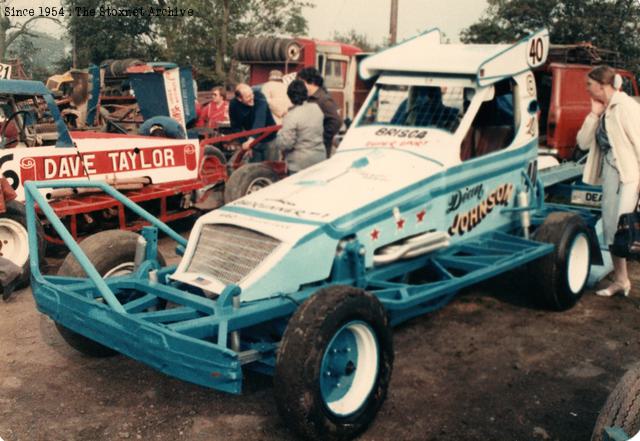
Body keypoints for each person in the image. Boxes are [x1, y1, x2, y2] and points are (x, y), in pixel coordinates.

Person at [576, 65, 640, 297]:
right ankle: (621, 281)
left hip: (630, 176)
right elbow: (582, 142)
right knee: (612, 229)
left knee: (628, 229)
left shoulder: (625, 107)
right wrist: (593, 114)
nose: (586, 88)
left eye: (589, 84)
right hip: (611, 175)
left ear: (601, 85)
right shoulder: (604, 109)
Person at [275, 80, 326, 174]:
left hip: (299, 164)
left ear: (290, 97)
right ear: (306, 93)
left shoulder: (290, 116)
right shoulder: (317, 108)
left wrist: (278, 136)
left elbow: (286, 144)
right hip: (319, 159)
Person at [296, 67, 342, 158]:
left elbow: (336, 121)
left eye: (302, 83)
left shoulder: (323, 99)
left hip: (319, 149)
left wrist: (322, 137)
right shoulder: (309, 98)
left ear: (312, 82)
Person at [229, 83, 278, 162]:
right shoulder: (234, 105)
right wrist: (244, 143)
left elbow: (260, 118)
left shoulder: (259, 96)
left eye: (251, 94)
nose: (252, 98)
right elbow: (236, 127)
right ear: (239, 99)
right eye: (248, 97)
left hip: (269, 138)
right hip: (254, 142)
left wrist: (251, 139)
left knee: (271, 167)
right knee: (254, 168)